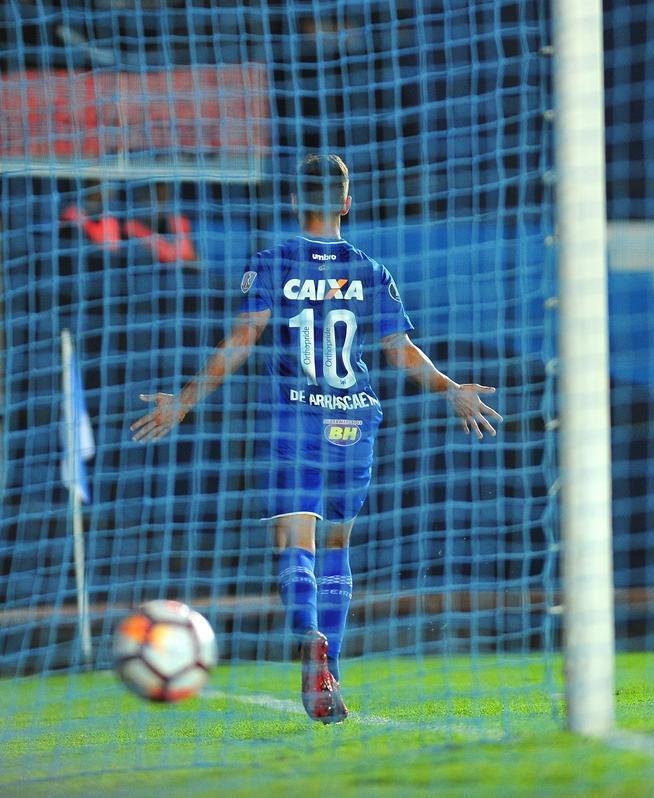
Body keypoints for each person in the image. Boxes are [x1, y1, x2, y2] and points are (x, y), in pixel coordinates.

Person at [130, 153, 502, 724]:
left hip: (293, 420)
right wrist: (451, 388)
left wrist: (184, 401)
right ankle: (331, 675)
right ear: (347, 204)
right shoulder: (370, 269)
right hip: (355, 422)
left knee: (293, 545)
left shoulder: (272, 262)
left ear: (294, 202)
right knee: (337, 550)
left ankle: (309, 640)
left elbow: (241, 342)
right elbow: (398, 350)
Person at [124, 182, 199, 266]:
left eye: (162, 195)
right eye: (154, 194)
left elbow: (191, 258)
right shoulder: (132, 226)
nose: (159, 200)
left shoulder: (179, 222)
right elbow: (168, 255)